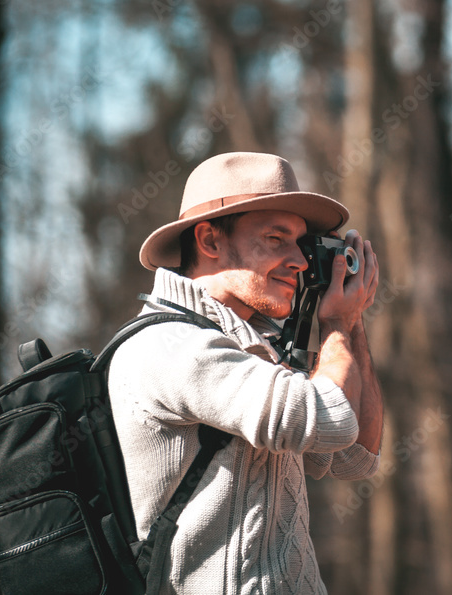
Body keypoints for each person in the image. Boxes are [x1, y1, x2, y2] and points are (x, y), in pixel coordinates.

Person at [108, 152, 383, 594]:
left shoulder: (254, 347)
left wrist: (352, 320)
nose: (299, 260)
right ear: (210, 241)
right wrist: (337, 326)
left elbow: (356, 457)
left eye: (301, 243)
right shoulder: (172, 346)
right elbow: (329, 421)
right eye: (277, 239)